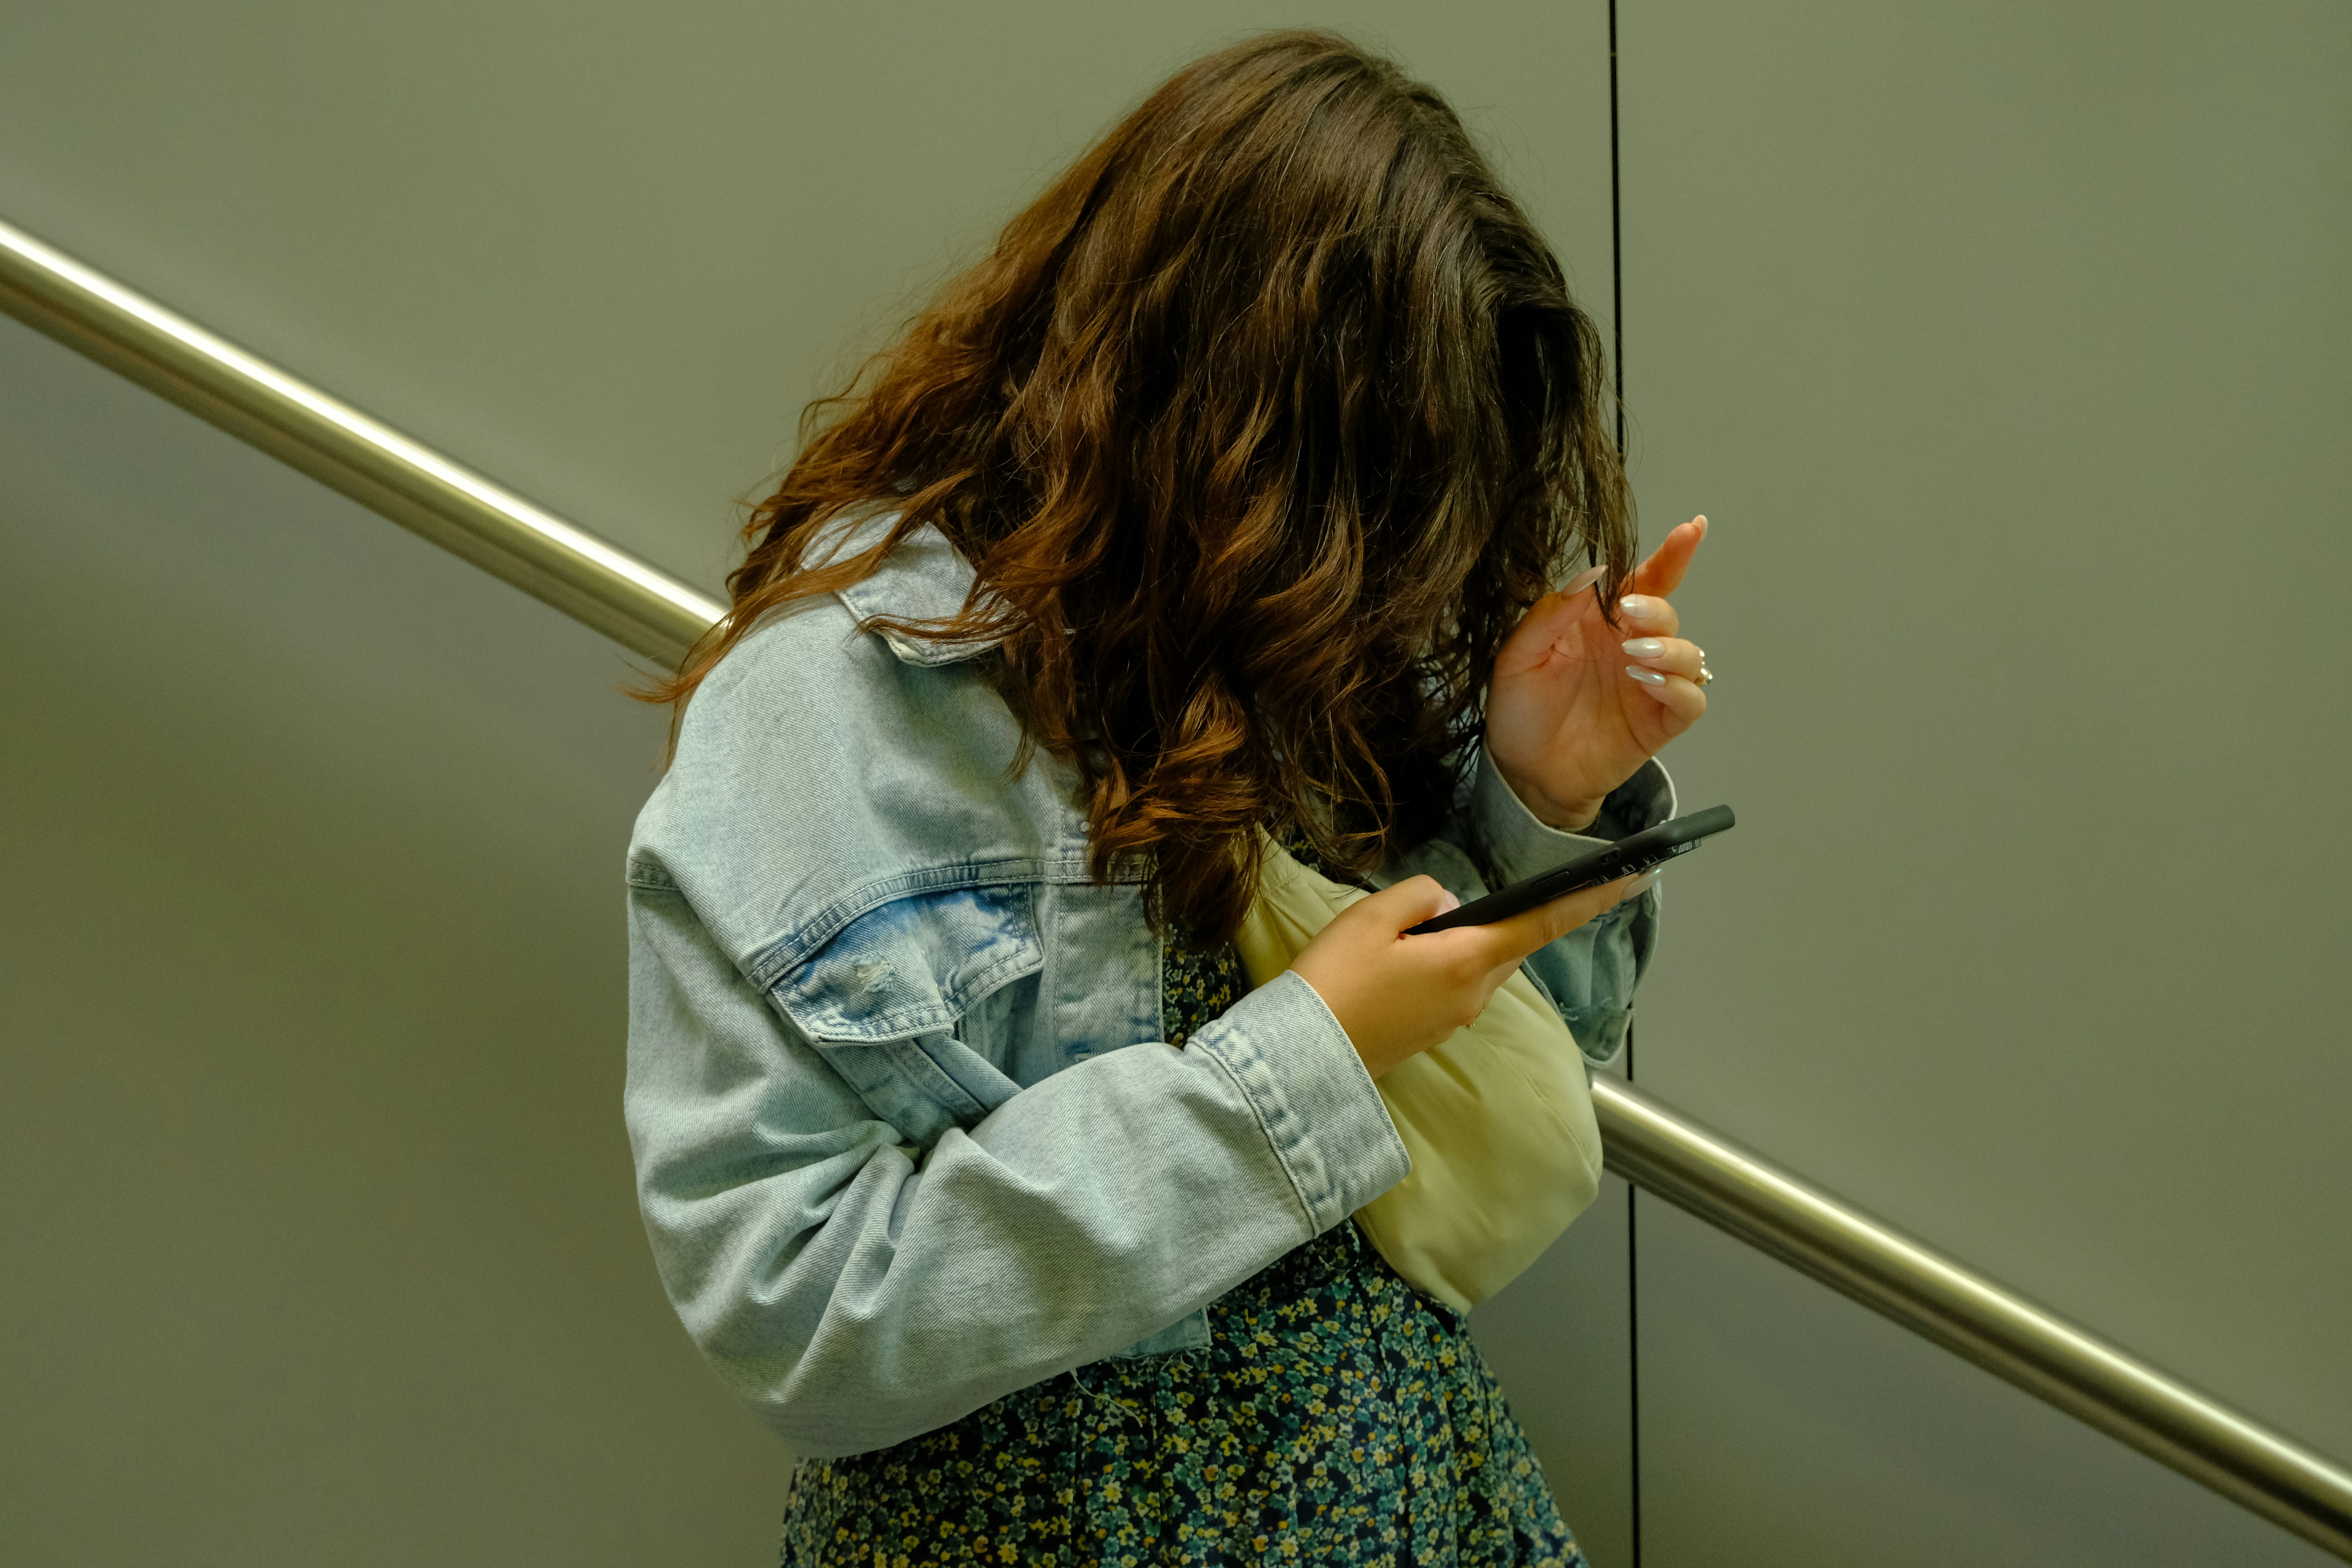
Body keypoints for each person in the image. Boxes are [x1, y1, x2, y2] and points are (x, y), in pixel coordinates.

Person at [625, 30, 1712, 1567]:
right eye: (1362, 500)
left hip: (1426, 1504)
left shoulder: (1305, 635)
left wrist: (1533, 789)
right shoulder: (840, 702)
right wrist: (1297, 1069)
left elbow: (1490, 1129)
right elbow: (791, 1305)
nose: (1393, 582)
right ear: (1224, 412)